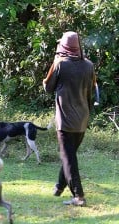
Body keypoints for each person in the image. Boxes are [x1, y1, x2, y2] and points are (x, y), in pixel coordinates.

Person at [43, 31, 96, 206]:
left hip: (65, 120)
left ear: (63, 46)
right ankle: (59, 187)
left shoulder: (60, 64)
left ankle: (79, 196)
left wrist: (50, 72)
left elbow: (48, 88)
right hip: (82, 119)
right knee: (69, 155)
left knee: (68, 158)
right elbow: (91, 90)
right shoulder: (89, 65)